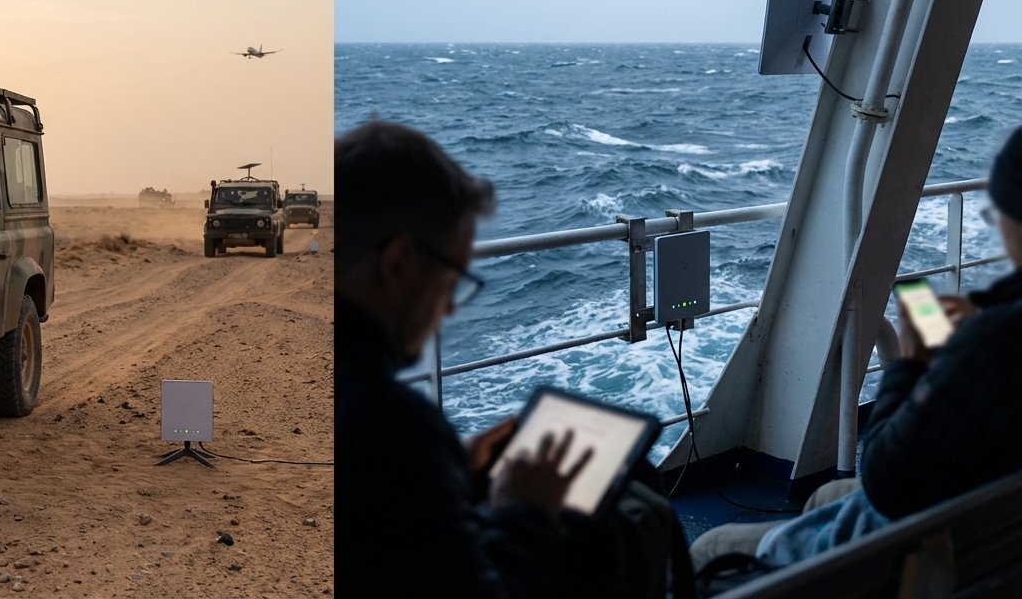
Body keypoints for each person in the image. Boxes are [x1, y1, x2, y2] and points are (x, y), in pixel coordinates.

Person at [338, 121, 662, 598]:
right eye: (450, 282)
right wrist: (524, 509)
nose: (448, 307)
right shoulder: (391, 424)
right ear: (399, 264)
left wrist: (449, 470)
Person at [692, 125, 1022, 571]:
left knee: (710, 547)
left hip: (923, 547)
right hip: (990, 529)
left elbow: (885, 477)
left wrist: (911, 361)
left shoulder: (993, 345)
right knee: (827, 494)